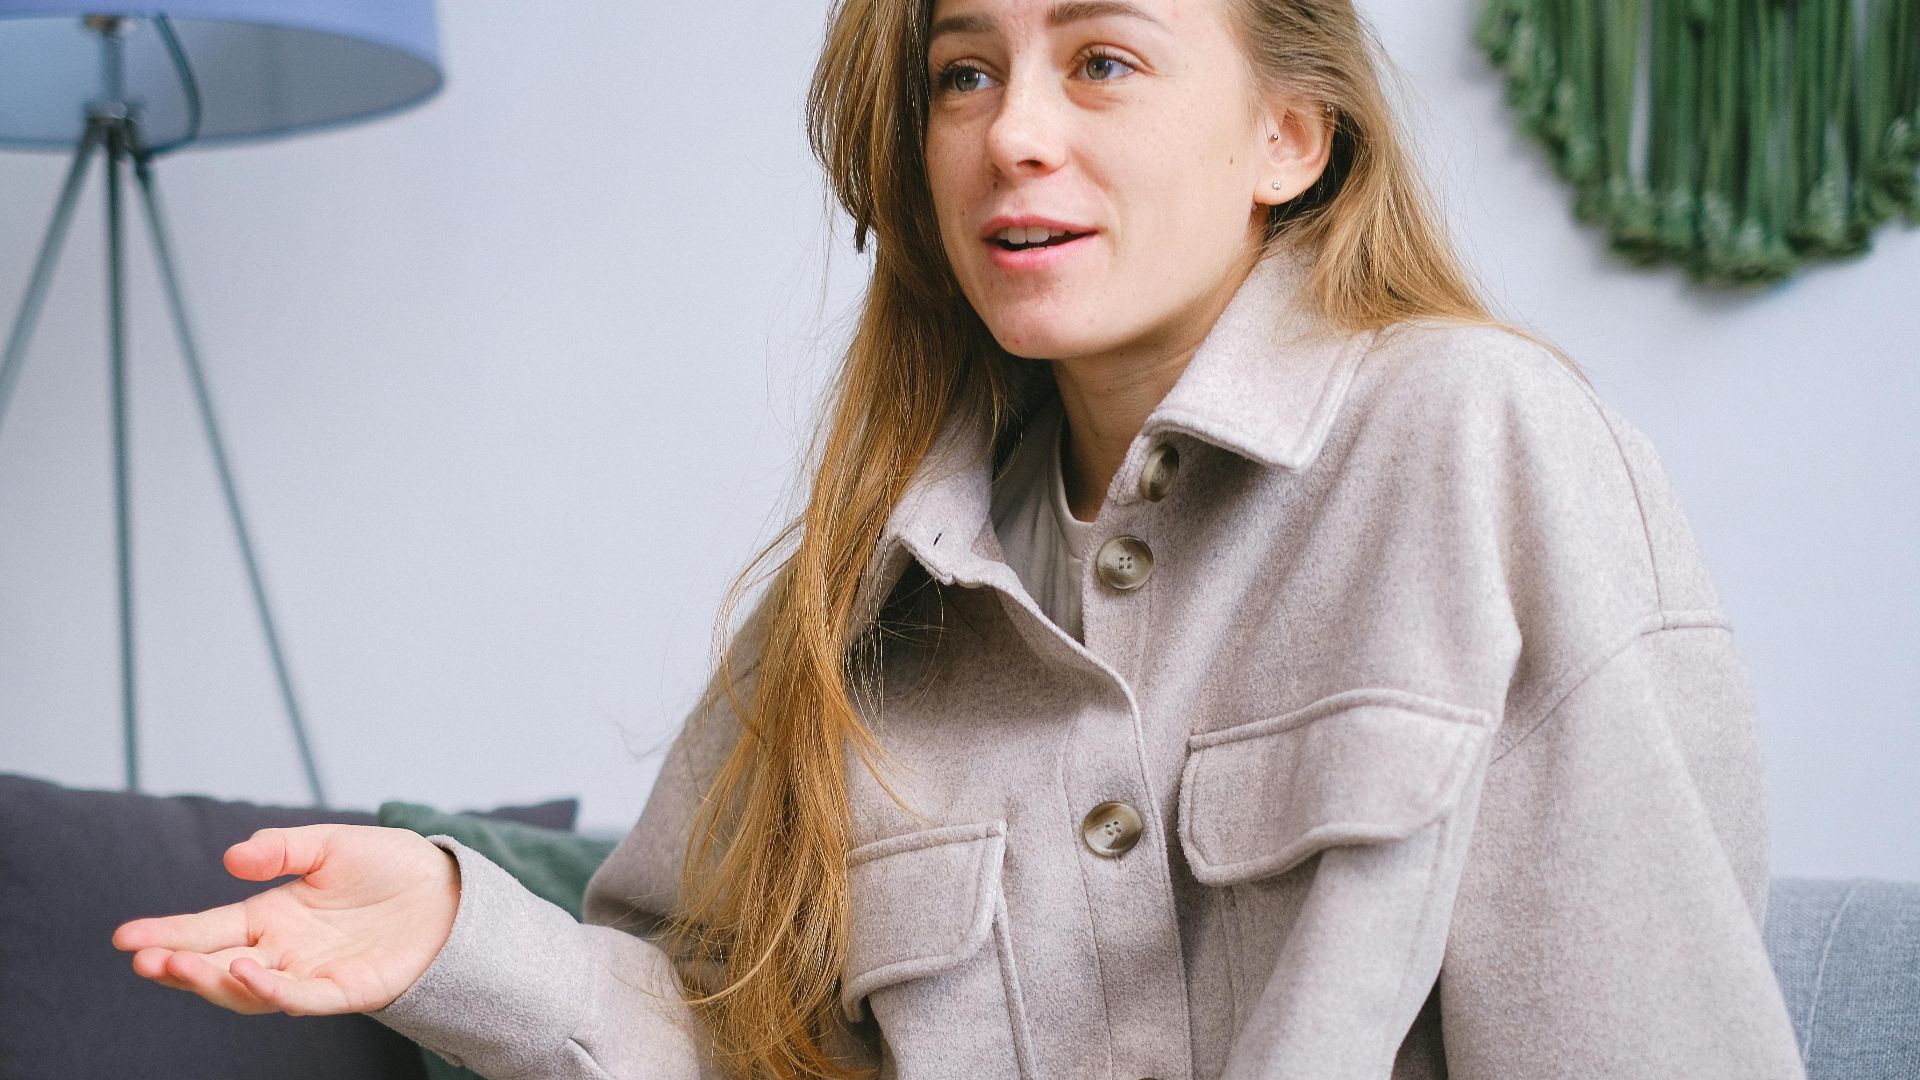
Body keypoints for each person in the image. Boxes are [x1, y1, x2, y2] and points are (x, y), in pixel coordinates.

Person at [112, 0, 1810, 1077]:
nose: (1013, 129)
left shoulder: (1478, 439)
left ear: (1289, 137)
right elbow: (734, 1038)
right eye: (964, 70)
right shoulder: (858, 596)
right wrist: (455, 933)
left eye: (1104, 59)